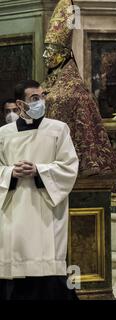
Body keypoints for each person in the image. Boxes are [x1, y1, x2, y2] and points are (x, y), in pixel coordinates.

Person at [0, 80, 79, 300]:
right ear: (20, 103)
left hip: (46, 211)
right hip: (13, 210)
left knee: (48, 276)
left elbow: (69, 166)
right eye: (35, 98)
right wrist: (10, 173)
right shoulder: (4, 134)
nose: (41, 102)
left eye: (42, 96)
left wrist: (39, 170)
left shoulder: (58, 129)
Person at [42, 0, 116, 177]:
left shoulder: (75, 93)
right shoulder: (48, 85)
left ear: (63, 54)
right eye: (46, 49)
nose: (45, 55)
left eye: (51, 50)